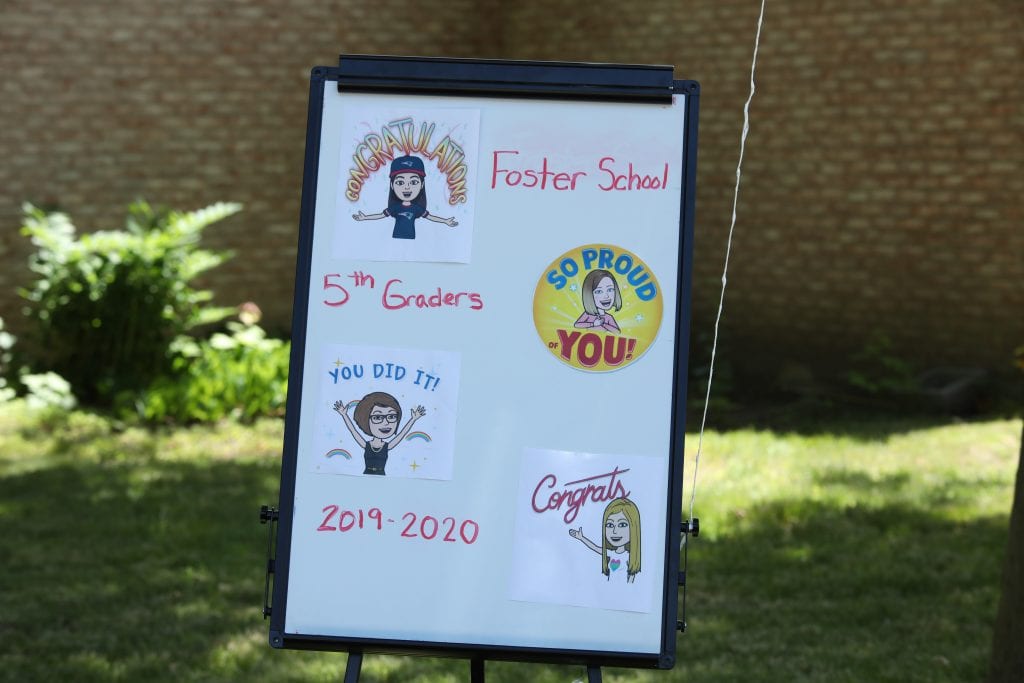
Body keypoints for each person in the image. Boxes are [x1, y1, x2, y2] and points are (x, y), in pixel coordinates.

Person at [352, 155, 457, 239]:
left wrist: (445, 221)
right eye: (400, 182)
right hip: (394, 241)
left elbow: (431, 217)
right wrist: (365, 217)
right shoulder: (395, 208)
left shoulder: (417, 208)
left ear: (422, 185)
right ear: (392, 185)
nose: (407, 187)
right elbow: (380, 215)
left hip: (413, 242)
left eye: (413, 182)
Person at [333, 392, 425, 475]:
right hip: (366, 477)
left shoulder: (387, 446)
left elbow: (402, 434)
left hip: (382, 478)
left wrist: (413, 419)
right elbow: (353, 431)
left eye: (391, 416)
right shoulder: (366, 445)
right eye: (377, 417)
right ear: (366, 420)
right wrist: (344, 415)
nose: (386, 423)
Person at [568, 497, 642, 582]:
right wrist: (581, 538)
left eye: (622, 525)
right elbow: (595, 547)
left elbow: (631, 580)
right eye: (610, 525)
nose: (615, 531)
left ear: (633, 527)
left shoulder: (630, 557)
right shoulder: (611, 553)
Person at [574, 269, 622, 334]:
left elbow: (617, 332)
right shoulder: (588, 314)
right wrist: (593, 324)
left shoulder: (609, 317)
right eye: (599, 291)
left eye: (610, 290)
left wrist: (603, 324)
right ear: (589, 294)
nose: (606, 296)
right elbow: (577, 325)